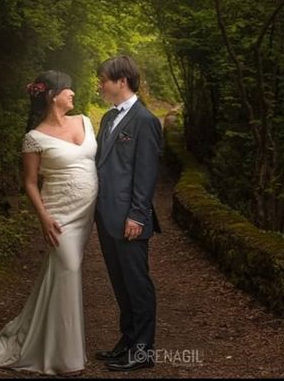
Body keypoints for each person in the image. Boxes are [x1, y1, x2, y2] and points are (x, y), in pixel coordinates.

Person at [0, 70, 98, 376]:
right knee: (68, 268)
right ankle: (64, 358)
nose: (72, 92)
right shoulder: (34, 138)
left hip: (86, 214)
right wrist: (43, 217)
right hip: (59, 214)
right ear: (51, 95)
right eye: (66, 88)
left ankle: (48, 339)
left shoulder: (85, 121)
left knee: (59, 275)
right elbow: (30, 183)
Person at [94, 55, 162, 371]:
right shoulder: (108, 119)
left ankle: (143, 352)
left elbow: (146, 173)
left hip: (130, 220)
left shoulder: (145, 121)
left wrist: (137, 215)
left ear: (122, 81)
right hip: (107, 217)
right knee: (121, 285)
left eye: (103, 80)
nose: (100, 85)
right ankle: (127, 342)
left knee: (137, 285)